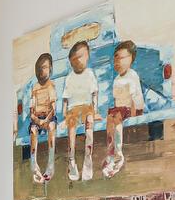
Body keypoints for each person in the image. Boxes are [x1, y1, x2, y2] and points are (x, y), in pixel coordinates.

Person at [103, 40, 143, 178]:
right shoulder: (117, 80)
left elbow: (134, 99)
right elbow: (116, 100)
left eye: (121, 58)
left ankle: (118, 153)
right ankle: (110, 152)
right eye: (115, 60)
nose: (117, 62)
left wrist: (133, 117)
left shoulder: (132, 75)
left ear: (131, 59)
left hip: (132, 109)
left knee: (116, 116)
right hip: (121, 109)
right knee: (110, 117)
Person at [61, 40, 99, 181]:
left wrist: (95, 110)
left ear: (88, 56)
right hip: (73, 109)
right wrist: (64, 114)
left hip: (87, 107)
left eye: (81, 56)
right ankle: (71, 160)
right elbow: (65, 99)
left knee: (89, 122)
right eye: (75, 59)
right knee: (71, 127)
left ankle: (87, 159)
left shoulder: (89, 74)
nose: (78, 61)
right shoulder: (69, 78)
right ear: (71, 62)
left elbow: (94, 93)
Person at [25, 52, 58, 183]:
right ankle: (34, 164)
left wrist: (46, 120)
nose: (41, 70)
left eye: (44, 67)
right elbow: (31, 111)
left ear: (50, 69)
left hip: (49, 118)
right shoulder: (35, 88)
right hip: (37, 119)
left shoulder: (51, 86)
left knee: (51, 127)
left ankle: (50, 165)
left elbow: (54, 109)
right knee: (33, 131)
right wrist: (38, 120)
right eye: (39, 68)